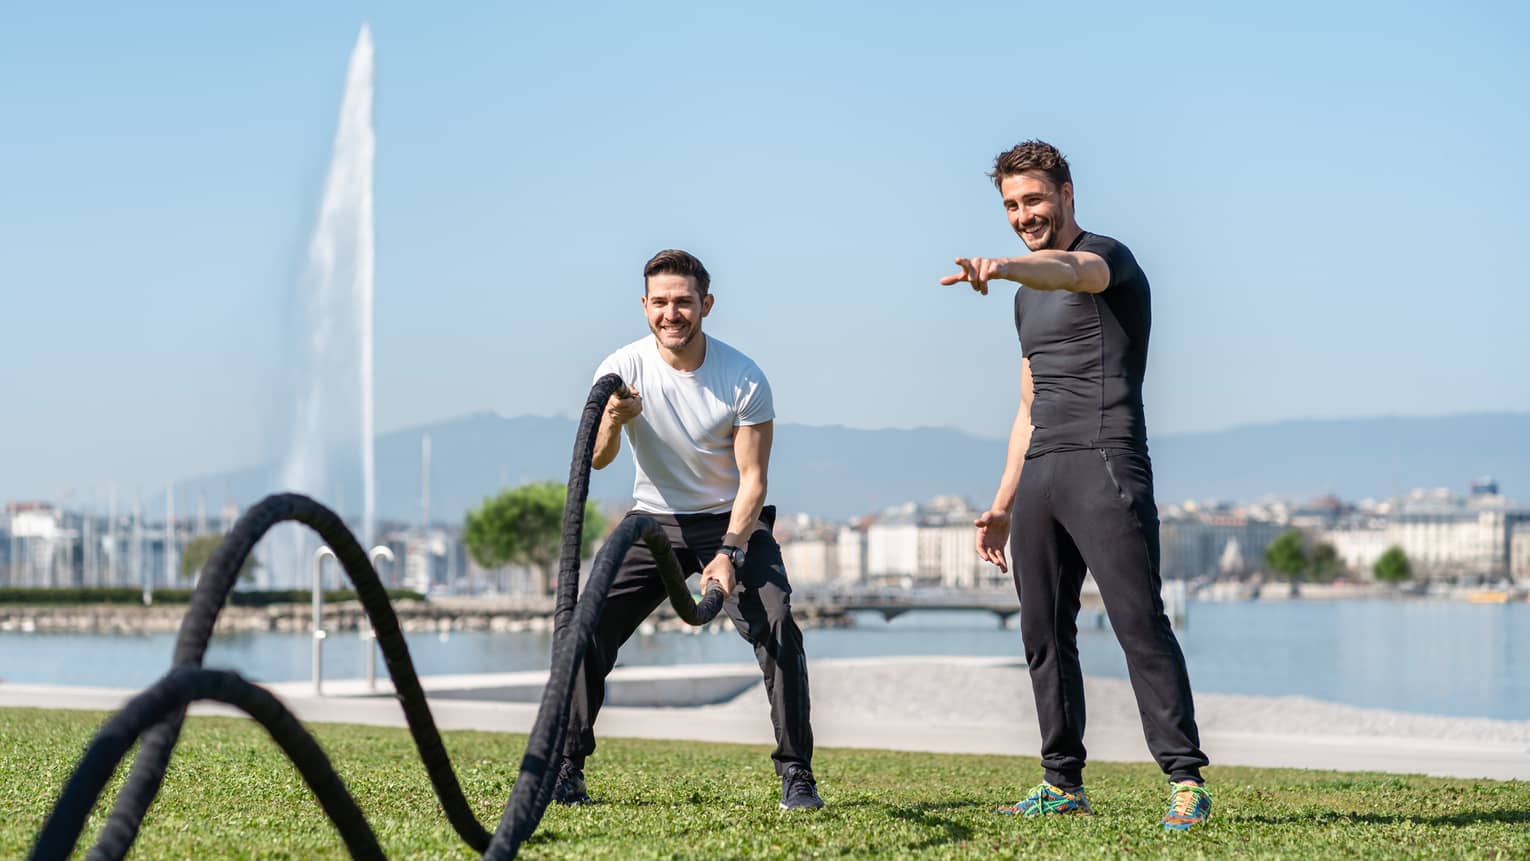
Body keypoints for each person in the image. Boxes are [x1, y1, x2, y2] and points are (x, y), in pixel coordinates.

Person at [940, 140, 1211, 830]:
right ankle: (1062, 781)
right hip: (1042, 474)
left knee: (1137, 620)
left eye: (1033, 199)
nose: (1023, 214)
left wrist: (1005, 267)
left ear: (1066, 194)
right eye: (1010, 205)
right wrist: (1000, 503)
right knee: (1042, 630)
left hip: (1105, 460)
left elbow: (1073, 271)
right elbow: (1027, 408)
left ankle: (1184, 777)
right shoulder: (1026, 302)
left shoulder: (1107, 257)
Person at [553, 248, 823, 811]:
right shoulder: (621, 367)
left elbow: (754, 480)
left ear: (706, 304)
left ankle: (797, 773)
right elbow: (598, 460)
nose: (671, 313)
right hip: (652, 520)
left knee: (777, 624)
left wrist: (729, 550)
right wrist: (613, 420)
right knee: (587, 627)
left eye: (683, 301)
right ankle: (567, 768)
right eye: (660, 302)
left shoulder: (742, 376)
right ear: (644, 305)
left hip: (731, 520)